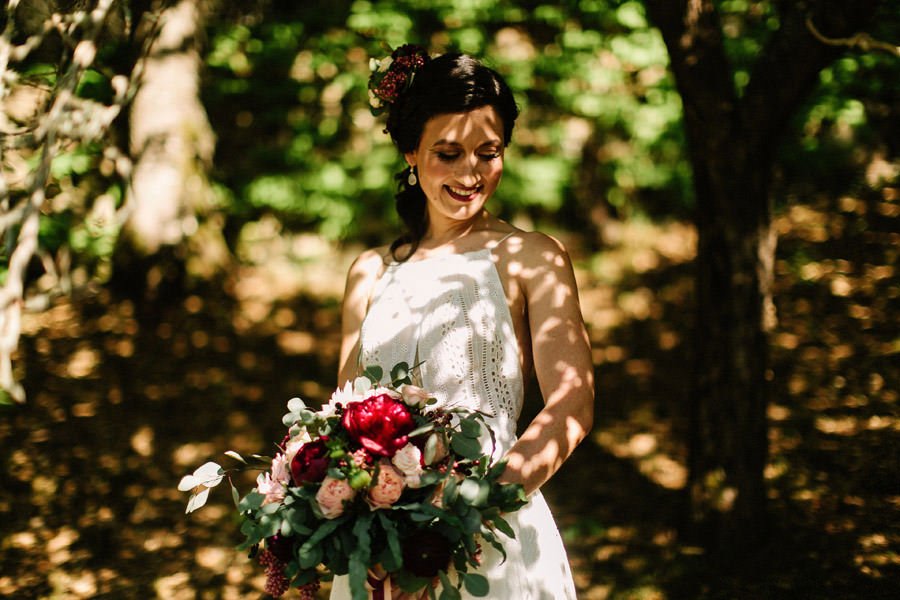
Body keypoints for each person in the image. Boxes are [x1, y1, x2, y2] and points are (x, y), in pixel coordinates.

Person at [332, 45, 594, 599]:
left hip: (492, 532)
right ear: (410, 152)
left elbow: (573, 403)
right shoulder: (369, 272)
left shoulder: (532, 257)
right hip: (381, 544)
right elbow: (345, 418)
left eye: (488, 151)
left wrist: (460, 520)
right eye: (447, 153)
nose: (469, 172)